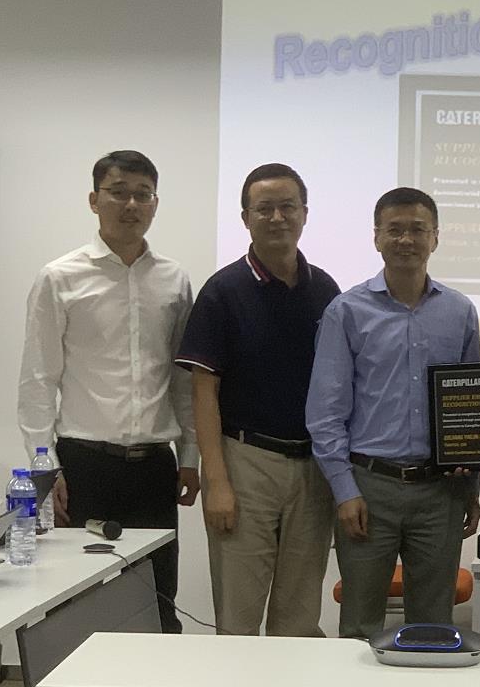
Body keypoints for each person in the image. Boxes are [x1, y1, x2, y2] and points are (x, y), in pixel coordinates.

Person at [18, 150, 198, 633]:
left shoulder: (174, 280)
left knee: (159, 603)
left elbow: (182, 379)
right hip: (82, 467)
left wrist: (190, 456)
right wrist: (44, 467)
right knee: (75, 604)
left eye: (143, 194)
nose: (131, 204)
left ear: (155, 203)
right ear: (94, 200)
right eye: (119, 193)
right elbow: (38, 380)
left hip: (154, 468)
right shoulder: (59, 277)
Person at [307, 187, 480, 639]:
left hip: (440, 492)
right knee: (360, 624)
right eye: (395, 230)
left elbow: (473, 412)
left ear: (435, 237)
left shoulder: (460, 312)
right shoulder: (346, 311)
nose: (406, 240)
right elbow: (325, 413)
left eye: (418, 230)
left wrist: (471, 486)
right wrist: (344, 491)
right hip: (368, 489)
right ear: (377, 237)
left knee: (434, 625)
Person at [176, 163, 339, 636]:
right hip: (245, 463)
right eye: (264, 208)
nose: (277, 217)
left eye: (287, 206)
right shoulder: (223, 291)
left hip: (313, 469)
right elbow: (203, 391)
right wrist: (217, 482)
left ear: (305, 213)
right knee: (239, 617)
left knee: (300, 618)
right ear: (245, 218)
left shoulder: (325, 290)